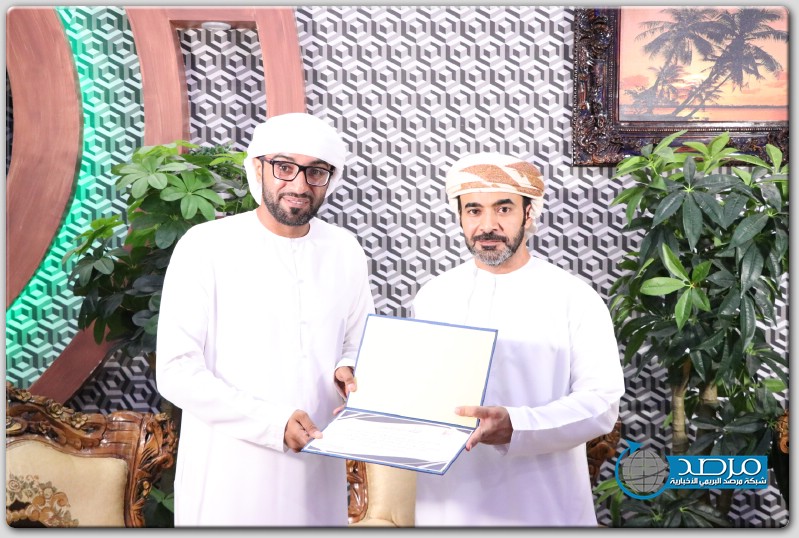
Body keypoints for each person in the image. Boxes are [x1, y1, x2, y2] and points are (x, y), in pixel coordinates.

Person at [156, 112, 374, 526]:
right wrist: (272, 424)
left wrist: (349, 368)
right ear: (257, 168)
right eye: (284, 167)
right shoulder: (206, 246)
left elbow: (359, 342)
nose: (299, 185)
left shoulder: (345, 249)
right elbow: (176, 371)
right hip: (228, 474)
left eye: (316, 172)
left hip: (316, 469)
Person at [411, 152, 625, 526]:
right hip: (449, 502)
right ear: (460, 216)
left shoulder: (574, 297)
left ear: (529, 214)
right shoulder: (433, 296)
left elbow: (601, 404)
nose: (487, 225)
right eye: (474, 210)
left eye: (504, 208)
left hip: (543, 502)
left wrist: (518, 425)